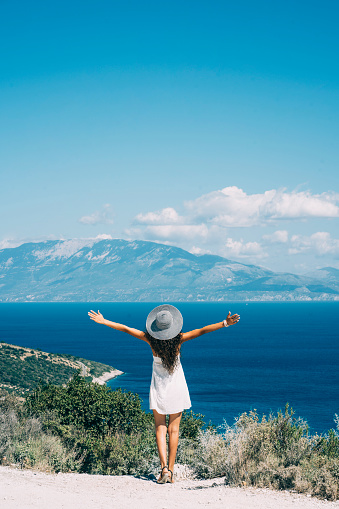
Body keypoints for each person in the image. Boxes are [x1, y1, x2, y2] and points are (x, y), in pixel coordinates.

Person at [88, 304, 240, 484]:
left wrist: (104, 321)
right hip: (177, 388)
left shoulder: (150, 341)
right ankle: (172, 471)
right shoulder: (180, 339)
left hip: (159, 388)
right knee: (173, 430)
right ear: (173, 326)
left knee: (160, 428)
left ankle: (163, 469)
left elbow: (126, 329)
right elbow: (201, 331)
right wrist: (225, 323)